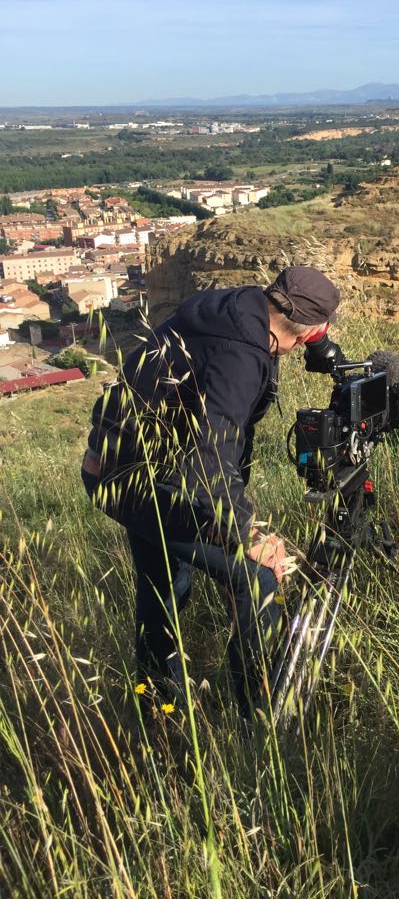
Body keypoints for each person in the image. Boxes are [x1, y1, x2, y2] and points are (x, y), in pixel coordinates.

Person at [81, 265, 340, 716]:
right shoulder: (242, 354)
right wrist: (246, 537)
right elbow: (211, 453)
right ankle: (255, 718)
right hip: (142, 480)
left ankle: (156, 702)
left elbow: (208, 435)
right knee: (256, 581)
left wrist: (231, 522)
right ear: (307, 333)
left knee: (165, 579)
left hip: (116, 466)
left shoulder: (234, 308)